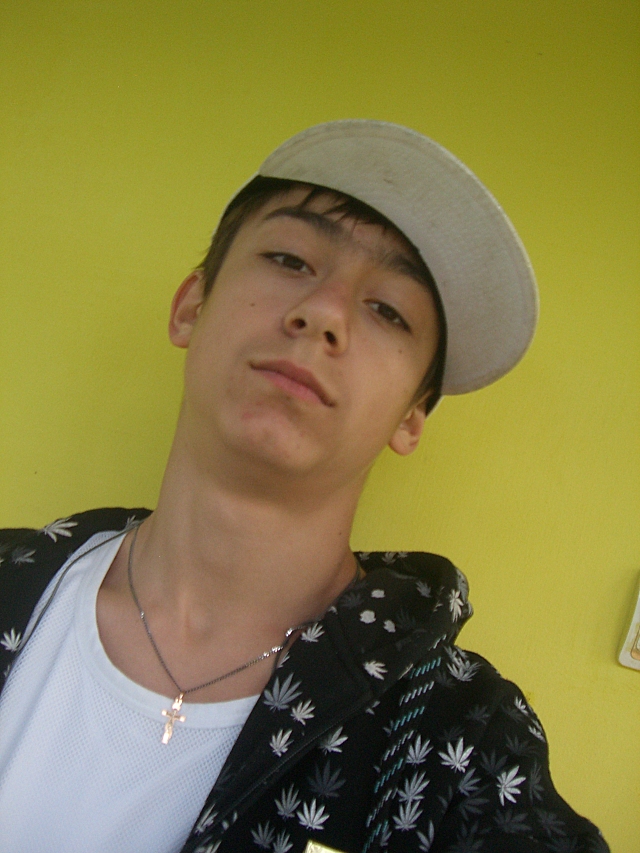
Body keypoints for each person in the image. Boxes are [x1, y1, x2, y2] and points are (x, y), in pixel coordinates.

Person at [0, 121, 607, 852]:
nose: (324, 311)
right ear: (192, 306)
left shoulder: (462, 737)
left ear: (411, 415)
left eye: (389, 310)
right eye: (290, 259)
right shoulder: (9, 579)